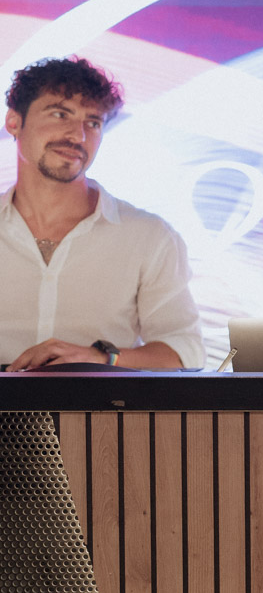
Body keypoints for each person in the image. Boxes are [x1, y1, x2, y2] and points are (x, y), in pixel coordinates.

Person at [2, 57, 203, 371]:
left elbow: (184, 352)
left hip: (104, 404)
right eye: (60, 114)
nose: (78, 135)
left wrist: (101, 358)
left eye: (93, 122)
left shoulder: (148, 236)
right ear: (14, 122)